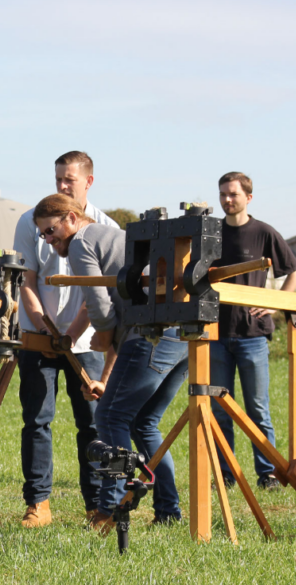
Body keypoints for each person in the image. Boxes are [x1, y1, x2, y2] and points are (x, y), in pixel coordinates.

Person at [33, 193, 189, 530]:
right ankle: (168, 512)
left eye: (50, 230)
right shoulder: (112, 238)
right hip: (180, 337)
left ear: (71, 218)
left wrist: (103, 338)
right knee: (143, 423)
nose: (48, 240)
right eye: (42, 234)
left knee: (109, 416)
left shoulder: (81, 243)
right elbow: (114, 310)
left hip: (150, 335)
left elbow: (99, 304)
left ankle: (109, 508)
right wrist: (102, 372)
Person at [11, 151, 120, 528]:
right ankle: (38, 503)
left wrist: (71, 334)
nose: (62, 185)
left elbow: (97, 296)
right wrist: (46, 329)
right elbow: (26, 282)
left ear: (88, 182)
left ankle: (96, 506)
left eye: (69, 179)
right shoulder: (32, 221)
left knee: (92, 424)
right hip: (38, 336)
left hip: (87, 341)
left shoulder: (104, 226)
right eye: (58, 178)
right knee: (36, 421)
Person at [212, 172, 296, 490]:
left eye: (233, 194)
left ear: (248, 197)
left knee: (257, 409)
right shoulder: (211, 233)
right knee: (219, 408)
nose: (227, 199)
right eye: (223, 194)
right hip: (215, 335)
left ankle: (268, 474)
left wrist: (275, 303)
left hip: (252, 335)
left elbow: (295, 272)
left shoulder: (263, 232)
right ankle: (225, 473)